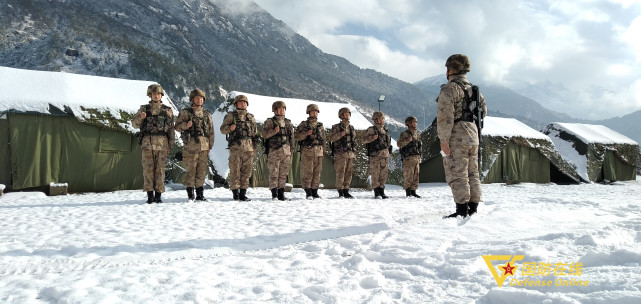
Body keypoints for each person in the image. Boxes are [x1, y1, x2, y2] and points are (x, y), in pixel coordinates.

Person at [437, 54, 487, 217]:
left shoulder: (449, 89)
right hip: (473, 135)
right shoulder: (474, 90)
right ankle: (473, 208)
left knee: (457, 172)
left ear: (451, 69)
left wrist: (443, 140)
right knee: (473, 172)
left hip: (456, 135)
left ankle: (461, 210)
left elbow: (445, 116)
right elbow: (483, 112)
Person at [131, 84, 174, 204]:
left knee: (160, 170)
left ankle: (158, 196)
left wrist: (170, 145)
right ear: (150, 95)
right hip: (147, 144)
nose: (156, 96)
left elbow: (171, 129)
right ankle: (150, 196)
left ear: (161, 95)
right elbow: (134, 124)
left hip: (162, 145)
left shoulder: (167, 110)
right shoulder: (144, 109)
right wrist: (141, 117)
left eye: (158, 94)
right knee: (148, 170)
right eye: (154, 94)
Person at [174, 89, 214, 202]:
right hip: (190, 146)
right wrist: (186, 125)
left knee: (201, 171)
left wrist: (210, 145)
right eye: (197, 98)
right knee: (190, 171)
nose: (199, 100)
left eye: (201, 98)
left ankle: (200, 195)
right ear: (192, 99)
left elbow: (211, 131)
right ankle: (190, 195)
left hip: (204, 147)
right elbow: (177, 127)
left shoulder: (207, 114)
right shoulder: (186, 112)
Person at [220, 95, 258, 201]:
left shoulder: (251, 117)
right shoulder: (231, 116)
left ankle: (243, 193)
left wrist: (254, 146)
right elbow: (222, 130)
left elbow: (254, 133)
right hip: (236, 148)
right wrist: (230, 128)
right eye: (240, 102)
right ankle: (235, 194)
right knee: (235, 172)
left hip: (249, 149)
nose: (243, 104)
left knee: (246, 172)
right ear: (236, 104)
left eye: (244, 102)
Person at [262, 101, 294, 201]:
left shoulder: (288, 122)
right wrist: (273, 131)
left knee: (283, 174)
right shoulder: (270, 122)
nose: (282, 111)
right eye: (279, 109)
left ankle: (281, 194)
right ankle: (274, 194)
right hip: (274, 151)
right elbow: (264, 135)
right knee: (274, 173)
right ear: (275, 110)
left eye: (283, 109)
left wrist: (291, 150)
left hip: (286, 151)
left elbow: (291, 138)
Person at [295, 104, 326, 200]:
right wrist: (306, 134)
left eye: (316, 111)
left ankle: (315, 191)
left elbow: (324, 139)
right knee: (308, 172)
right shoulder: (303, 124)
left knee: (317, 172)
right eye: (313, 111)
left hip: (319, 151)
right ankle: (308, 192)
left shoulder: (320, 126)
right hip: (308, 151)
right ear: (309, 112)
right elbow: (296, 136)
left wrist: (324, 151)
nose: (315, 113)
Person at [361, 111, 391, 199]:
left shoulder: (385, 130)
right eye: (381, 119)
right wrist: (371, 138)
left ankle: (382, 191)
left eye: (383, 119)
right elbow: (363, 140)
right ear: (376, 120)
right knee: (375, 174)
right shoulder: (371, 130)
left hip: (385, 155)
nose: (383, 120)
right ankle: (376, 192)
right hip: (375, 156)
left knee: (383, 175)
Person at [328, 107, 356, 199]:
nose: (348, 115)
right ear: (341, 115)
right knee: (341, 172)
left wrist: (354, 149)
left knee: (349, 172)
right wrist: (340, 134)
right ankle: (340, 191)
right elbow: (331, 138)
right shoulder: (336, 127)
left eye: (349, 113)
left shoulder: (351, 128)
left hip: (350, 153)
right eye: (346, 113)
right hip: (340, 153)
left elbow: (354, 140)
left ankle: (346, 190)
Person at [398, 116, 422, 198]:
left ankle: (413, 191)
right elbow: (399, 144)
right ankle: (408, 192)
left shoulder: (417, 134)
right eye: (414, 122)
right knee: (408, 175)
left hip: (416, 157)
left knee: (416, 175)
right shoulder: (404, 134)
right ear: (409, 124)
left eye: (416, 122)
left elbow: (419, 146)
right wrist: (407, 141)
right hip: (408, 158)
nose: (415, 124)